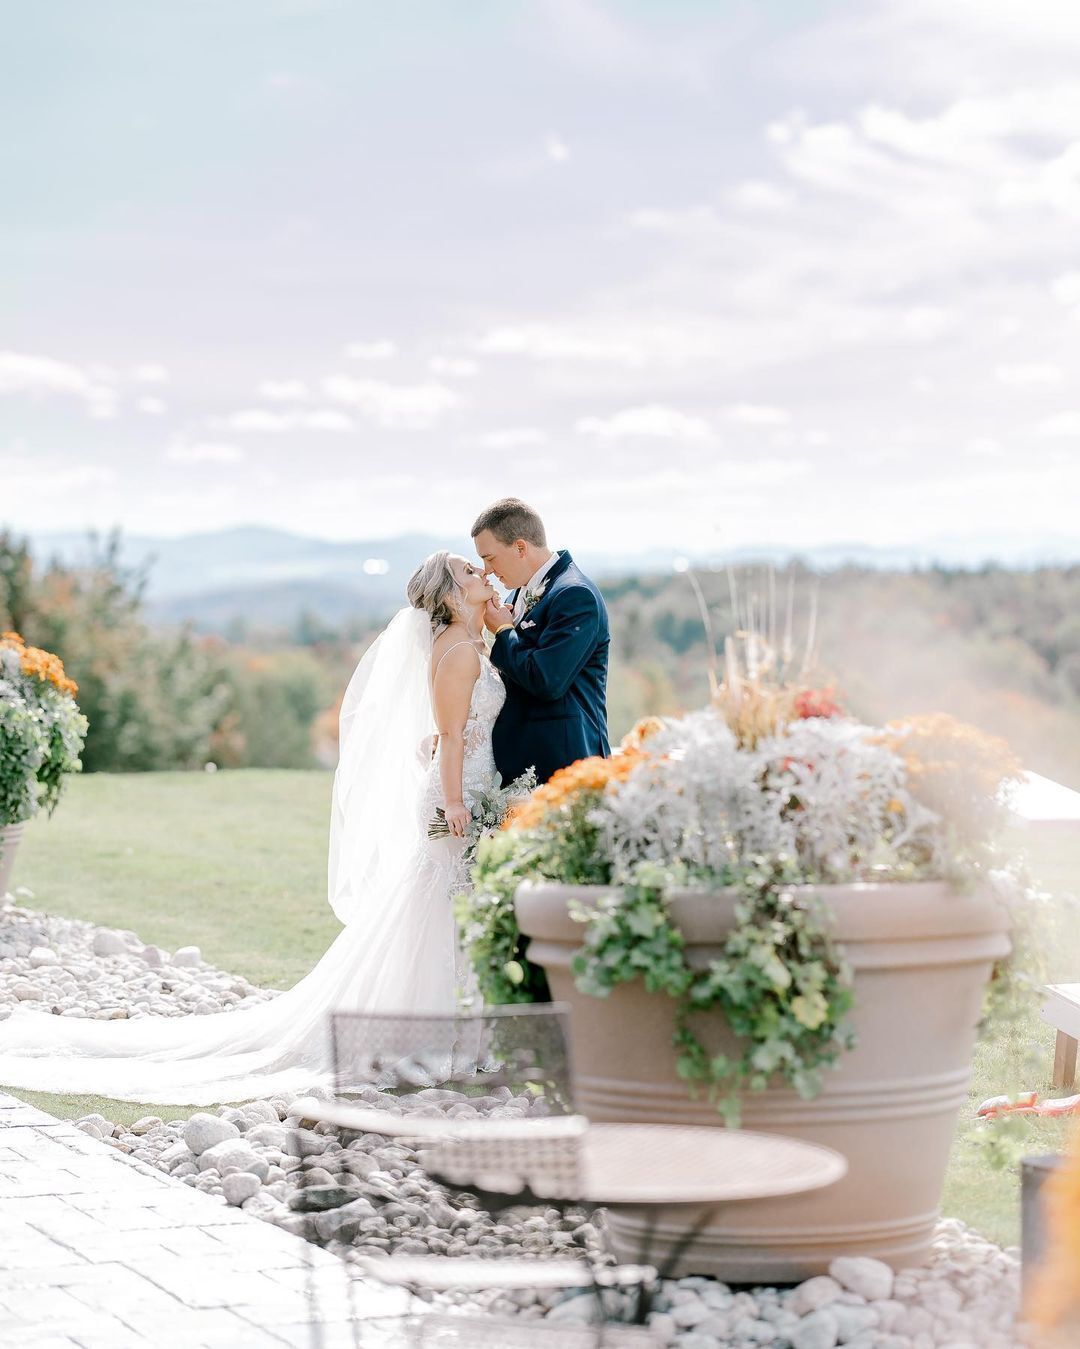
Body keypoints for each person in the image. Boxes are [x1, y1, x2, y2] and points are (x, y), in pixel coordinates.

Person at [0, 552, 506, 1104]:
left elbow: (448, 730)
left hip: (467, 786)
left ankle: (453, 1032)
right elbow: (453, 735)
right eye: (469, 571)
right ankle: (436, 1036)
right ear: (452, 595)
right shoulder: (457, 651)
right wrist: (455, 801)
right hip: (455, 798)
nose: (483, 575)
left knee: (441, 906)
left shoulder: (468, 642)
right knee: (441, 905)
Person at [472, 498, 610, 785]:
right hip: (521, 771)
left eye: (489, 558)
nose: (486, 570)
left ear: (520, 547)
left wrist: (503, 633)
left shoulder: (574, 595)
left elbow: (547, 680)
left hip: (564, 766)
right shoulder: (515, 596)